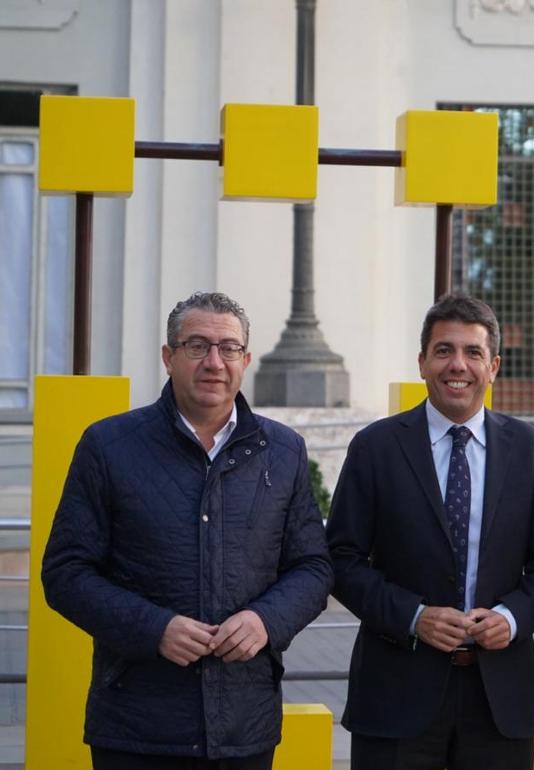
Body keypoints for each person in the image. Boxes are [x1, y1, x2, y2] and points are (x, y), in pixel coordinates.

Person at [42, 291, 333, 769]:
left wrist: (265, 620)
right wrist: (154, 629)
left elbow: (313, 567)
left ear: (246, 359)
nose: (214, 362)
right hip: (137, 724)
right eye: (197, 346)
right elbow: (66, 572)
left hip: (245, 723)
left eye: (229, 348)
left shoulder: (283, 452)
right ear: (168, 357)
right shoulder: (108, 445)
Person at [327, 292, 534, 770]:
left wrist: (514, 616)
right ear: (422, 362)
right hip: (396, 695)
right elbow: (341, 558)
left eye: (472, 352)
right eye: (443, 351)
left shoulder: (530, 449)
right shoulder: (375, 448)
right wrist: (414, 617)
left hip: (498, 699)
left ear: (494, 366)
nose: (456, 365)